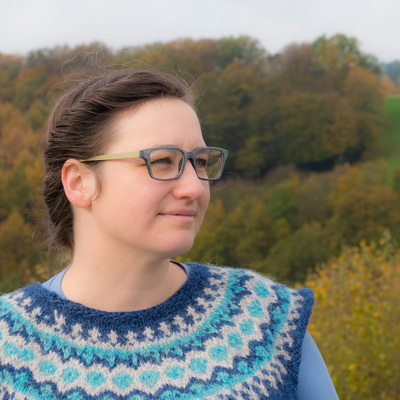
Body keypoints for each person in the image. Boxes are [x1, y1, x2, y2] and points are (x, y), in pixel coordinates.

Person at [0, 68, 338, 399]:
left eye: (200, 162)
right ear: (79, 182)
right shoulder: (7, 347)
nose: (195, 187)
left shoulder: (265, 322)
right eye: (162, 160)